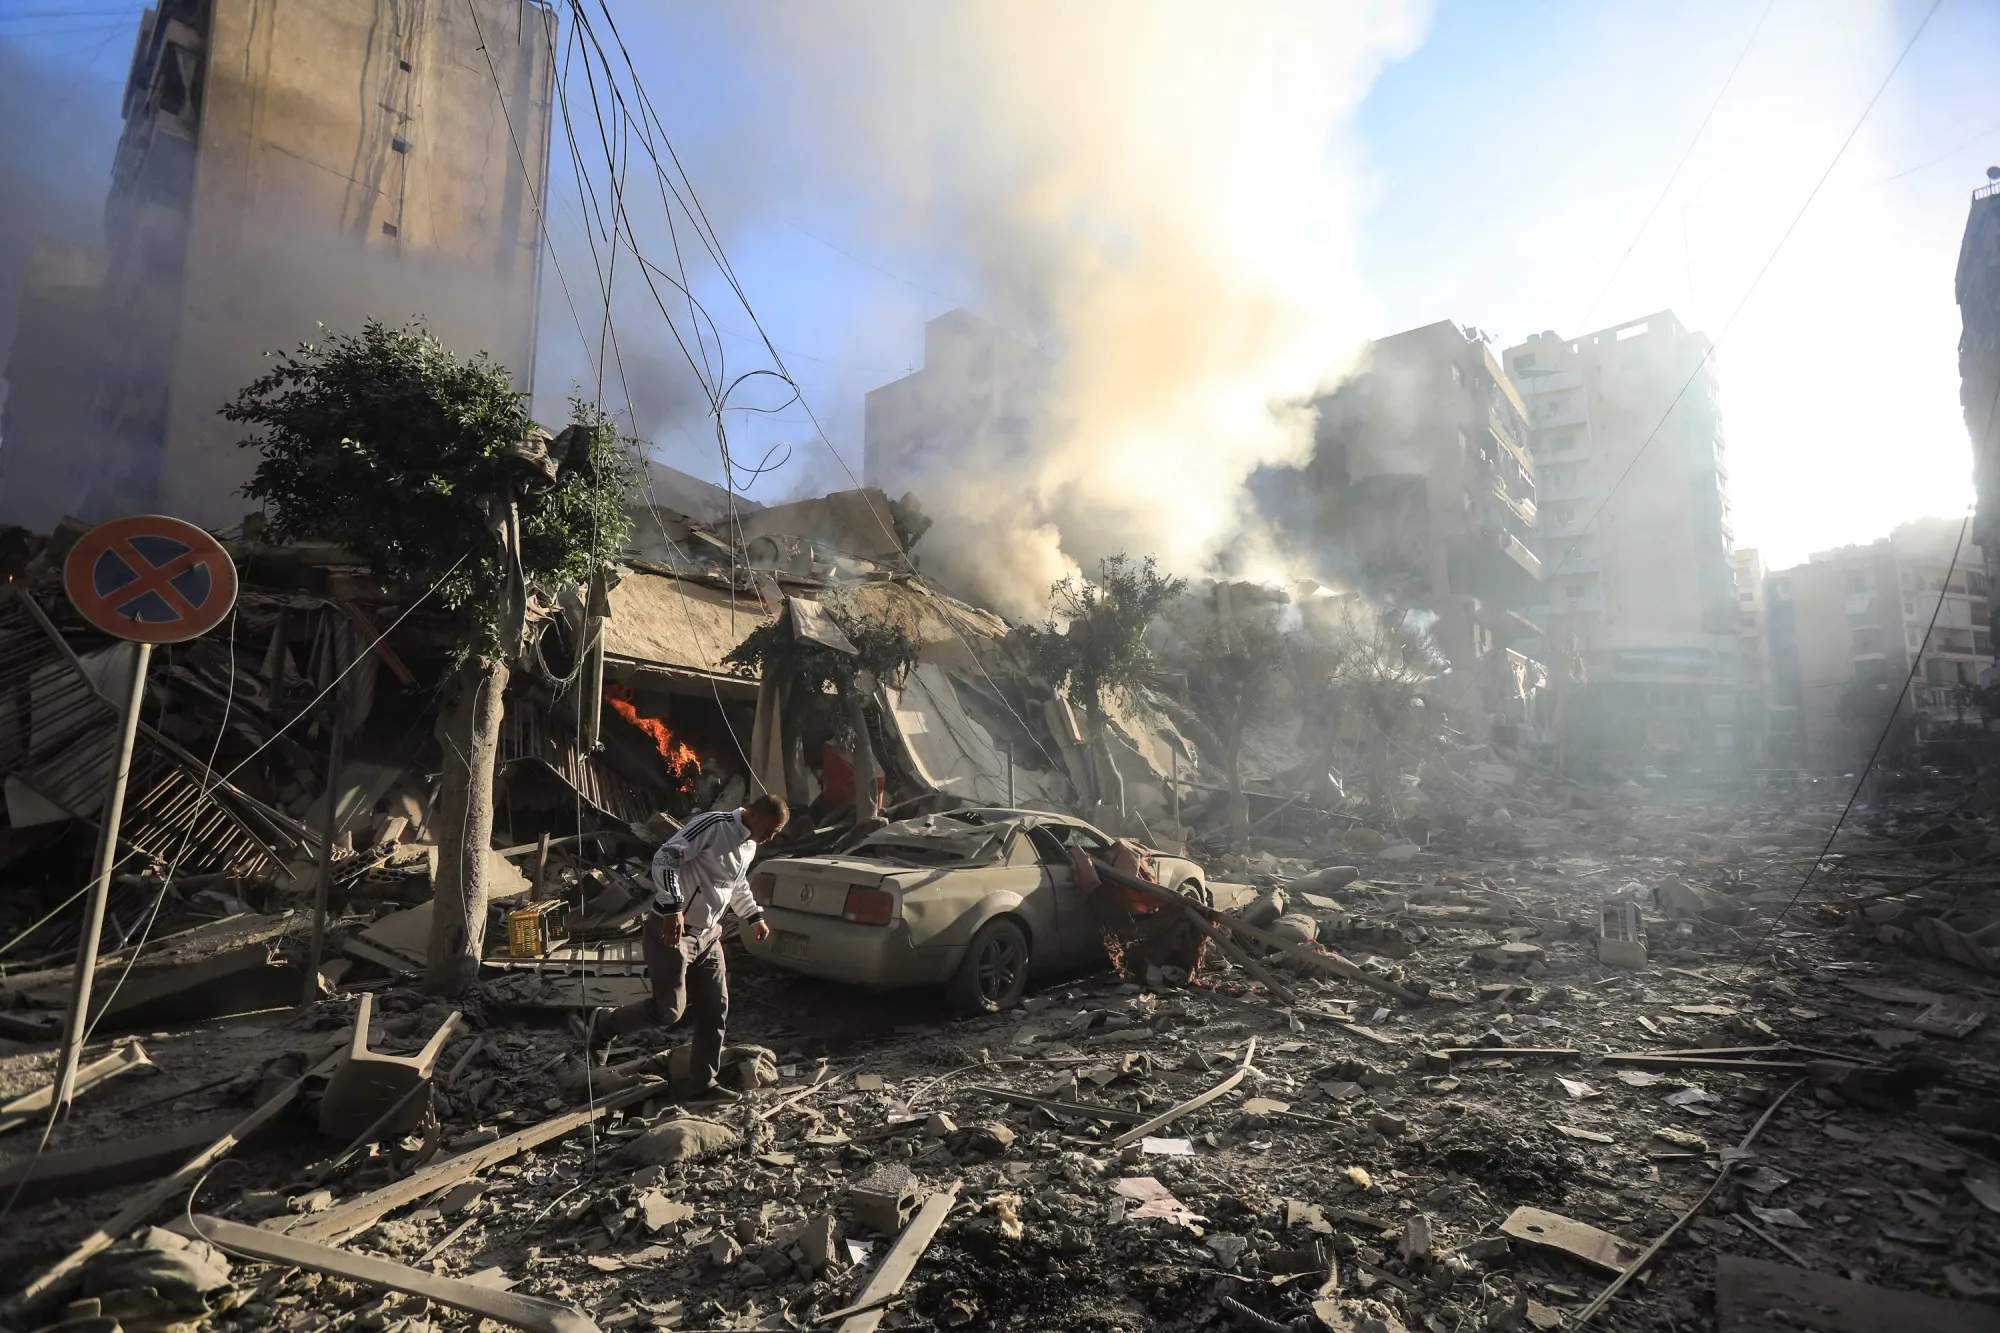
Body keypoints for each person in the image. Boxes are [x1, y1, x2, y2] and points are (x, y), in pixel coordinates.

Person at [582, 794, 790, 1100]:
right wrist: (673, 906)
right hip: (672, 932)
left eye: (775, 834)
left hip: (708, 937)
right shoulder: (713, 825)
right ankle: (604, 1024)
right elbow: (666, 857)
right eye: (769, 830)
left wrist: (753, 916)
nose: (770, 838)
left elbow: (737, 883)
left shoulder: (750, 845)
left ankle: (703, 1084)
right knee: (669, 1011)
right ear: (754, 813)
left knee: (715, 1008)